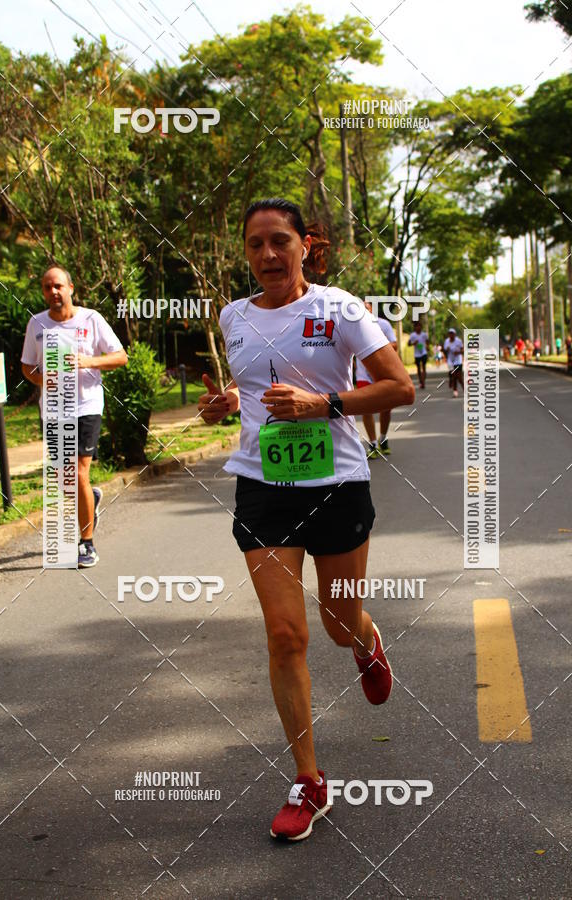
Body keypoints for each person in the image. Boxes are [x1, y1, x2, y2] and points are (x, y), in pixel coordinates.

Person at [198, 198, 414, 842]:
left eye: (280, 242)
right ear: (246, 251)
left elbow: (399, 386)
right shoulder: (233, 316)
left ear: (305, 245)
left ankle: (366, 642)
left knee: (338, 625)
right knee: (286, 636)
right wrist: (227, 404)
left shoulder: (339, 308)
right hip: (264, 489)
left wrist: (324, 403)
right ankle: (309, 781)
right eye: (256, 244)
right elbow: (258, 386)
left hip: (336, 484)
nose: (268, 255)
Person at [21, 264, 127, 567]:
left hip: (86, 406)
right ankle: (89, 498)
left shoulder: (91, 319)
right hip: (53, 409)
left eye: (58, 286)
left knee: (77, 472)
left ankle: (87, 544)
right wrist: (44, 381)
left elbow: (120, 357)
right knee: (64, 477)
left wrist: (87, 361)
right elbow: (27, 366)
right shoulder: (37, 324)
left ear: (70, 289)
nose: (53, 291)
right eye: (47, 287)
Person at [354, 304, 399, 458]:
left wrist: (376, 346)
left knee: (386, 408)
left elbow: (395, 345)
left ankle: (383, 438)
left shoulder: (383, 324)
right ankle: (372, 444)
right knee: (366, 408)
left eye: (366, 307)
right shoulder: (352, 325)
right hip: (363, 374)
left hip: (381, 373)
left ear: (372, 309)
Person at [407, 320, 429, 389]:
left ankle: (423, 382)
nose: (418, 328)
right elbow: (408, 344)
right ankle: (421, 381)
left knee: (424, 367)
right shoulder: (412, 335)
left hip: (424, 352)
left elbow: (427, 341)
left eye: (419, 326)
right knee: (419, 368)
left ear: (421, 327)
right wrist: (414, 343)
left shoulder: (424, 334)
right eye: (416, 326)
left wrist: (427, 346)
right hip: (417, 354)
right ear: (415, 327)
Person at [443, 327, 464, 397]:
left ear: (455, 334)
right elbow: (445, 350)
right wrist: (447, 350)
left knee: (459, 377)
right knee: (454, 375)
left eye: (452, 334)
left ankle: (465, 390)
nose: (451, 335)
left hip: (458, 360)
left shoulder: (458, 341)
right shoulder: (446, 341)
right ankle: (455, 391)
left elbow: (463, 350)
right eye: (450, 334)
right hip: (450, 361)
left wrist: (458, 352)